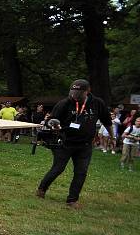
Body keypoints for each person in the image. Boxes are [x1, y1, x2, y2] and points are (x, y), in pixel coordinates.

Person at [36, 79, 113, 209]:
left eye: (78, 93)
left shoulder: (97, 104)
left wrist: (112, 136)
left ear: (87, 91)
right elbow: (50, 120)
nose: (74, 95)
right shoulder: (64, 103)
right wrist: (53, 125)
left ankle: (72, 200)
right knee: (58, 168)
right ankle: (42, 189)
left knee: (81, 172)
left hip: (85, 145)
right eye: (73, 92)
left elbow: (107, 121)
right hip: (64, 142)